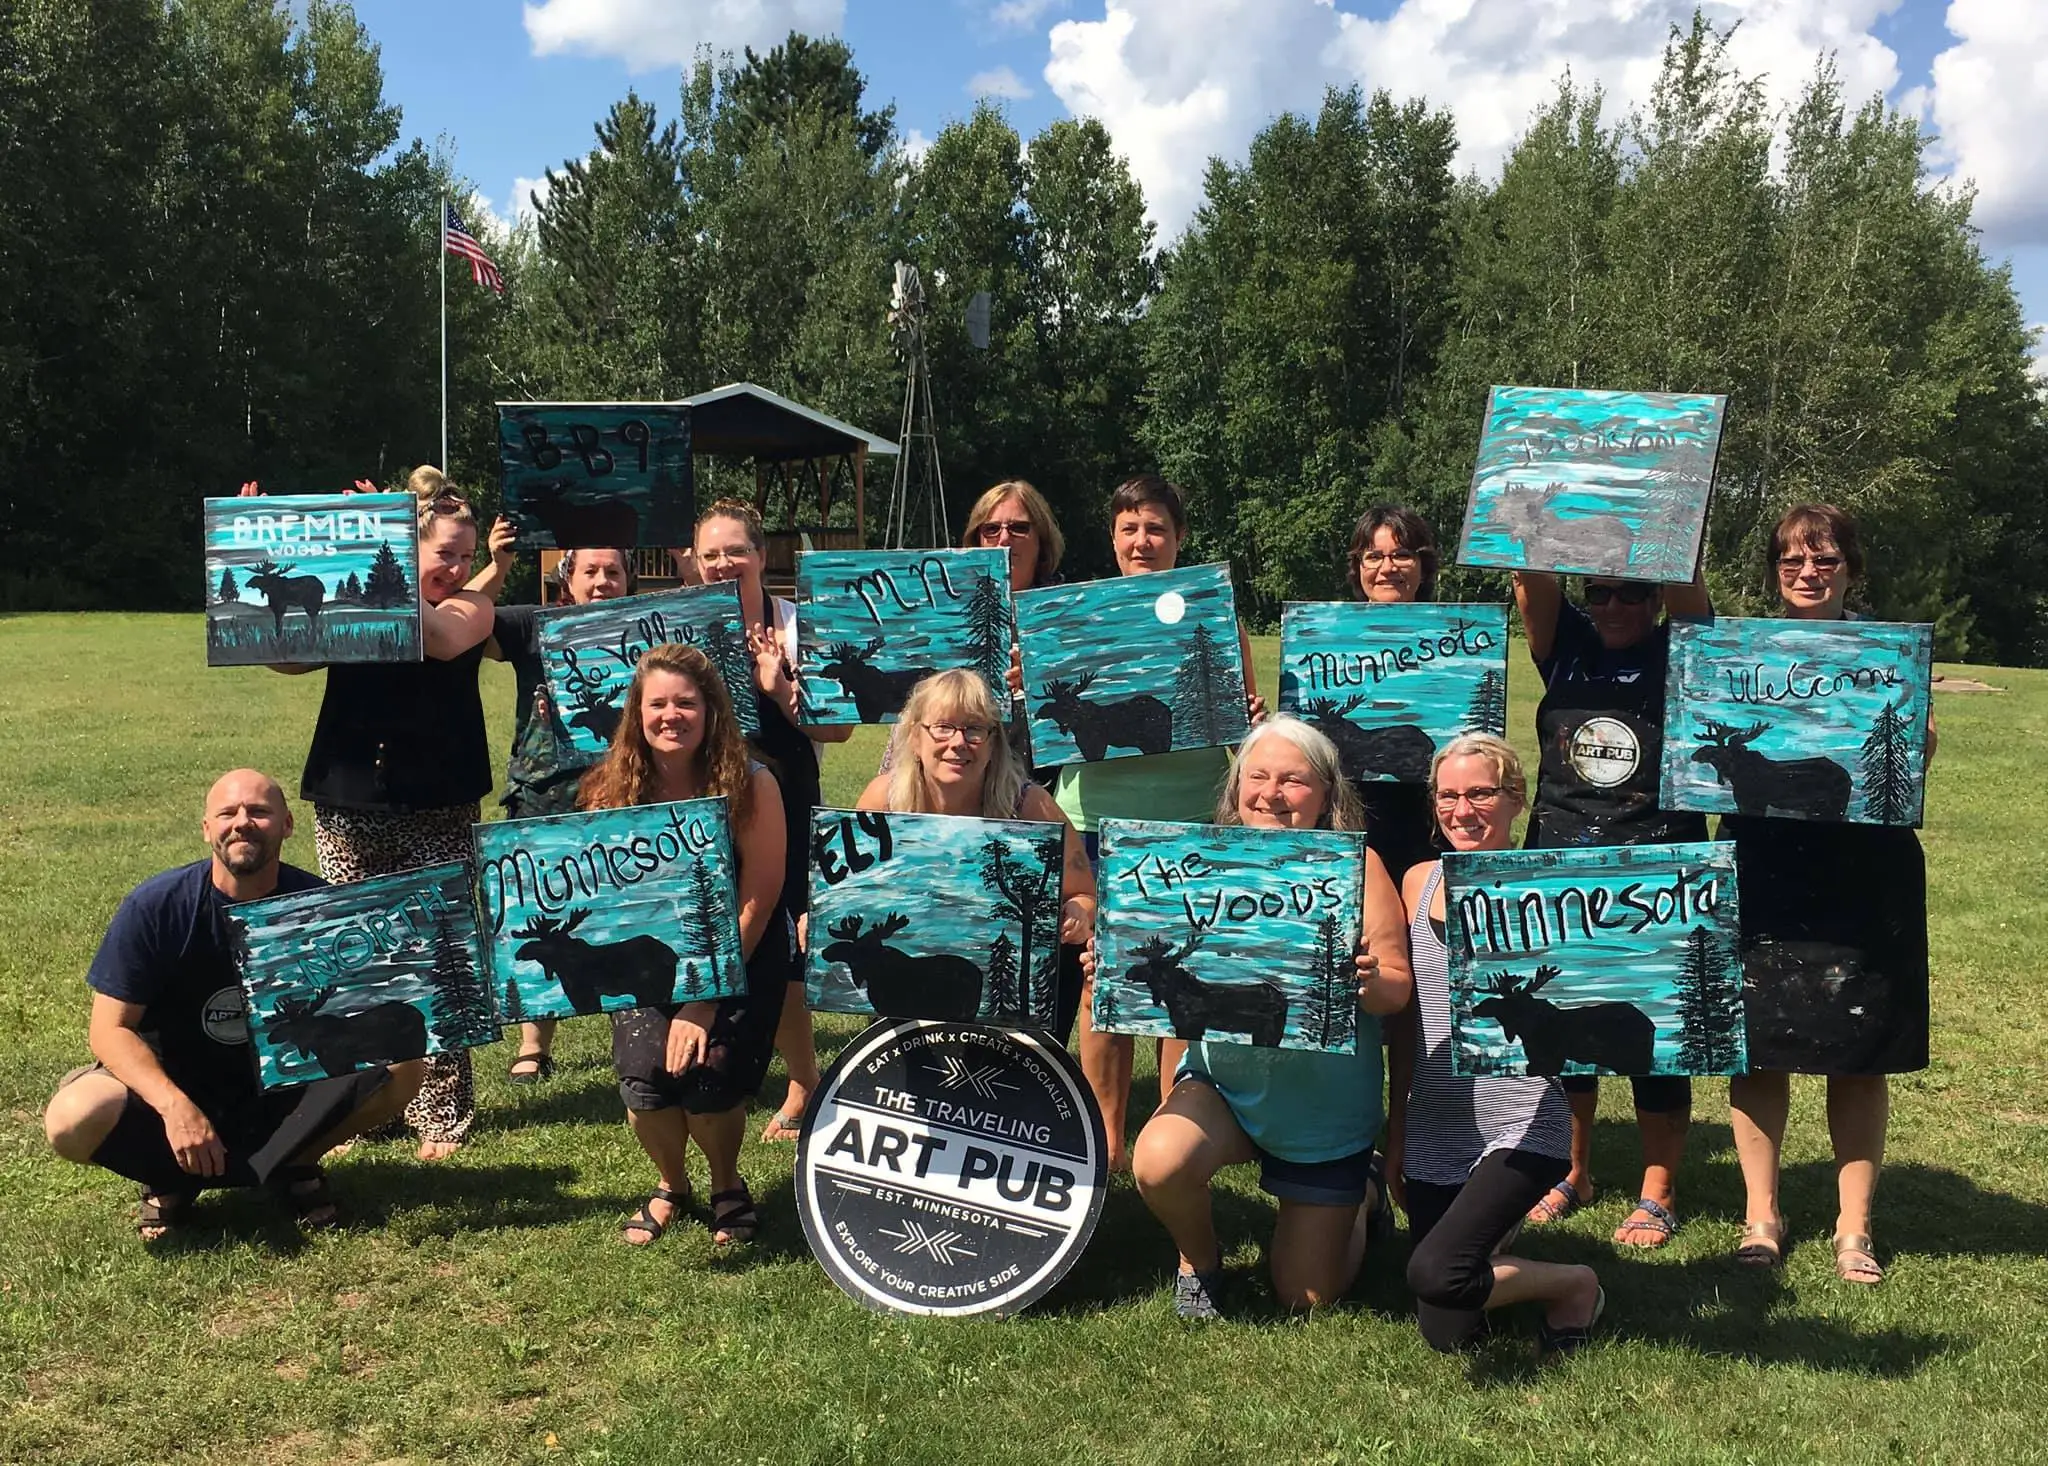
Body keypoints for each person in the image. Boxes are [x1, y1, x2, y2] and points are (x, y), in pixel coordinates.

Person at [1102, 717, 1412, 1320]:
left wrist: (1370, 981)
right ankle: (1200, 1263)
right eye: (1258, 776)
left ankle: (1365, 1193)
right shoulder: (1195, 859)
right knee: (1159, 1161)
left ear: (1326, 794)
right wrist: (1110, 964)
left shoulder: (1359, 866)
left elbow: (1397, 991)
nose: (1271, 793)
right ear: (1236, 786)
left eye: (1292, 780)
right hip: (1223, 1089)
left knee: (1305, 1299)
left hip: (1323, 1114)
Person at [42, 770, 424, 1239]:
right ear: (207, 829)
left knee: (403, 1063)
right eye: (228, 813)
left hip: (277, 1091)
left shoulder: (319, 906)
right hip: (177, 1082)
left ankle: (296, 1162)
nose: (242, 822)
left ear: (287, 825)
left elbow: (361, 1008)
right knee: (73, 1115)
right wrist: (174, 1107)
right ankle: (169, 1177)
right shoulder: (156, 907)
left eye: (259, 812)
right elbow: (108, 1030)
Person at [276, 475, 512, 1159]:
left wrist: (372, 547)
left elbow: (438, 639)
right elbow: (285, 658)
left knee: (437, 953)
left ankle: (441, 1113)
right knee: (354, 954)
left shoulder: (470, 609)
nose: (457, 568)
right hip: (348, 797)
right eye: (445, 554)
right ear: (413, 549)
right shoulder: (357, 598)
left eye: (466, 556)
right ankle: (364, 1104)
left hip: (439, 801)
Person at [1724, 504, 1931, 1283]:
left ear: (1851, 569)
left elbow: (1912, 755)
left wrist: (1921, 746)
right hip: (1763, 865)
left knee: (1859, 1048)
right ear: (1774, 572)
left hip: (1863, 870)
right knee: (1757, 1046)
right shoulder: (1737, 653)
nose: (1808, 572)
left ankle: (1854, 1227)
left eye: (1825, 559)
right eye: (1792, 560)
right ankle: (1761, 1215)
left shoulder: (1889, 655)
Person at [1053, 474, 1265, 1170]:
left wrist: (1252, 719)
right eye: (1130, 529)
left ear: (1179, 538)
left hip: (1191, 818)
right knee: (1101, 979)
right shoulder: (1073, 617)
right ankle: (1106, 1141)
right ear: (1112, 538)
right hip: (1093, 820)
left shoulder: (1214, 616)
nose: (1142, 541)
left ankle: (1168, 1130)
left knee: (1181, 981)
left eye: (1156, 529)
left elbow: (1244, 724)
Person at [1511, 559, 1710, 1247]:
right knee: (1566, 1027)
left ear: (1655, 599)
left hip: (1660, 864)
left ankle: (1659, 1190)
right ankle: (1573, 1172)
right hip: (1560, 858)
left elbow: (1691, 588)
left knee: (1655, 1033)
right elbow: (1532, 578)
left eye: (1633, 593)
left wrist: (1666, 527)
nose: (1615, 605)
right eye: (1601, 593)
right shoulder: (1566, 644)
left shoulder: (1681, 650)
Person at [1392, 734, 1601, 1353]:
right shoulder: (1417, 883)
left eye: (1482, 793)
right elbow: (1406, 1023)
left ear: (1516, 799)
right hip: (1438, 1119)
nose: (1462, 811)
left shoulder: (1550, 890)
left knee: (1439, 1274)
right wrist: (1397, 1129)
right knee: (1447, 1331)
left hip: (1524, 1120)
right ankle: (1486, 1235)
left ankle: (1576, 1284)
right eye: (1448, 796)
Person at [579, 643, 789, 1246]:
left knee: (710, 1078)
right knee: (645, 1081)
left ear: (711, 711)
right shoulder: (609, 788)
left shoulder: (754, 784)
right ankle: (672, 1183)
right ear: (637, 713)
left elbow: (759, 897)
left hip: (740, 953)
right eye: (658, 704)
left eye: (687, 703)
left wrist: (703, 1000)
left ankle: (726, 1183)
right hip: (646, 962)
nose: (671, 716)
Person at [690, 499, 851, 1145]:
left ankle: (802, 1079)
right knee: (716, 931)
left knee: (785, 946)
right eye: (711, 554)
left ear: (760, 555)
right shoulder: (681, 625)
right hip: (706, 803)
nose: (723, 563)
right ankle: (709, 1054)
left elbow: (837, 730)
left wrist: (779, 687)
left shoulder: (799, 626)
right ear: (696, 561)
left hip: (786, 798)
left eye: (736, 550)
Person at [485, 546, 637, 1084]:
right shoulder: (534, 625)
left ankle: (635, 1037)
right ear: (568, 579)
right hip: (541, 793)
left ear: (629, 580)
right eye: (590, 571)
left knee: (627, 914)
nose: (602, 582)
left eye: (613, 571)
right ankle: (534, 1044)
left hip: (623, 792)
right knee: (538, 912)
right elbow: (470, 624)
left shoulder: (648, 629)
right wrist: (497, 564)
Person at [855, 669, 1095, 962]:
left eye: (974, 729)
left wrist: (1078, 912)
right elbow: (846, 890)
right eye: (943, 727)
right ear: (916, 738)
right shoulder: (883, 798)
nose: (958, 742)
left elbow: (1085, 895)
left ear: (993, 743)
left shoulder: (1030, 806)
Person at [1341, 505, 1446, 886]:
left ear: (1423, 566)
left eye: (1401, 555)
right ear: (1359, 567)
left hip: (1435, 822)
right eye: (1373, 556)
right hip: (1351, 821)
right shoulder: (1329, 633)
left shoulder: (1455, 635)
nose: (1387, 568)